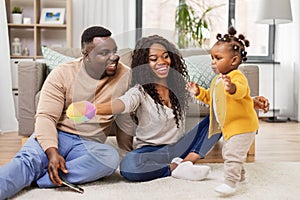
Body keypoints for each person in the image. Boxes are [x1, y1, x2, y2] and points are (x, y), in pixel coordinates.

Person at [70, 35, 269, 183]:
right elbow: (120, 104)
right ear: (144, 63)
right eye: (154, 58)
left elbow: (217, 101)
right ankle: (174, 168)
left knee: (216, 117)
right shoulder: (139, 91)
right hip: (150, 151)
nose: (162, 62)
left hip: (180, 146)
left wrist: (250, 101)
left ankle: (188, 161)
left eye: (165, 56)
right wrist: (92, 108)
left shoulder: (180, 86)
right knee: (129, 168)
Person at [0, 26, 134, 199]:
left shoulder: (126, 76)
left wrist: (127, 154)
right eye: (104, 53)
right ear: (86, 55)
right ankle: (36, 168)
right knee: (26, 162)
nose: (113, 57)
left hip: (88, 143)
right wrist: (52, 151)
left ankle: (42, 179)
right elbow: (46, 117)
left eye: (114, 51)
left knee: (110, 158)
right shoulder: (63, 73)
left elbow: (125, 117)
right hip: (58, 134)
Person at [189, 26, 258, 196]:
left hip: (242, 126)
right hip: (229, 127)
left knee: (232, 154)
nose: (213, 62)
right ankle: (241, 177)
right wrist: (199, 92)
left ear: (234, 61)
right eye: (212, 58)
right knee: (231, 152)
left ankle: (230, 183)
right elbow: (211, 99)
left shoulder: (236, 76)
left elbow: (241, 91)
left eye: (218, 58)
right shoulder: (216, 80)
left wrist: (231, 87)